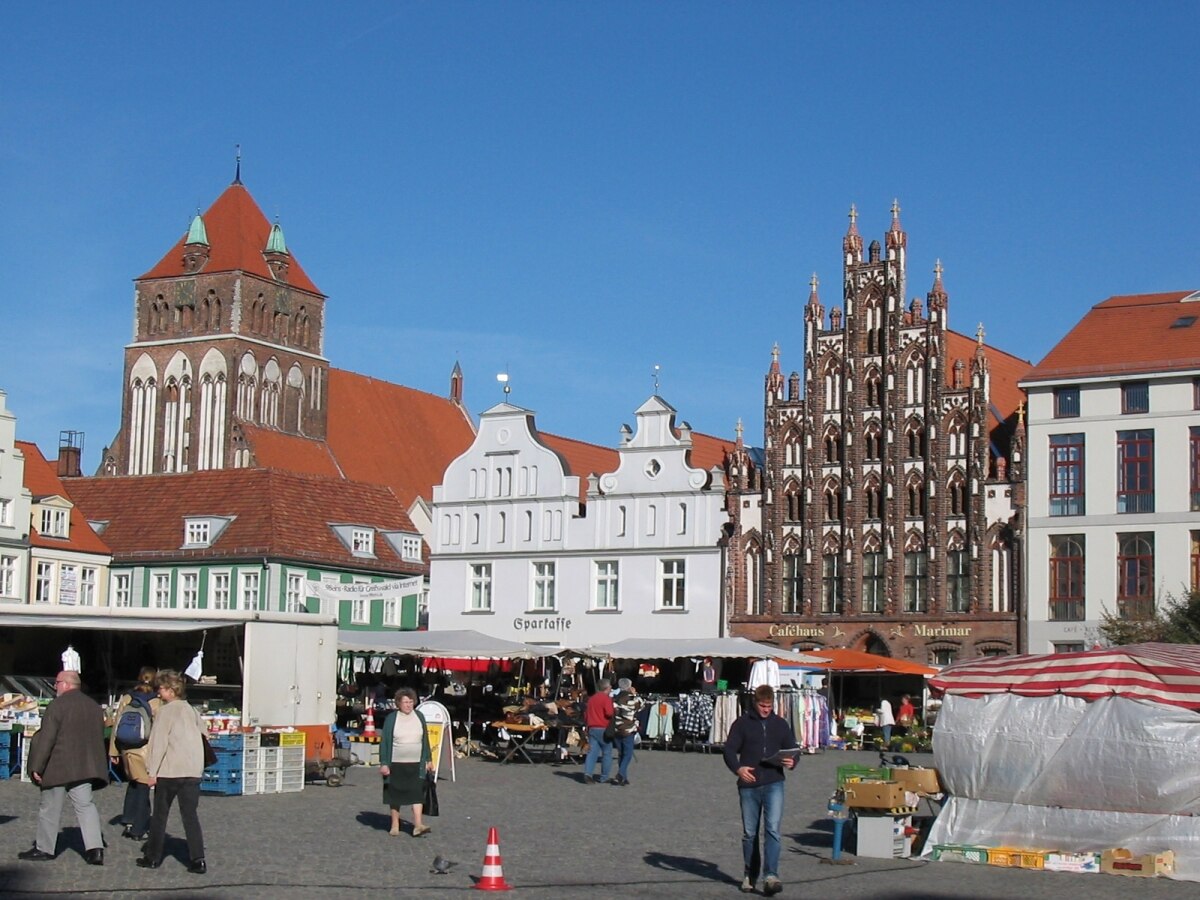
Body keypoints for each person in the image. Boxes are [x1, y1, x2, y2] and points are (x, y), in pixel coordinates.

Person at [19, 670, 108, 865]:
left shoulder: (57, 705)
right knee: (86, 806)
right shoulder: (93, 706)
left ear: (66, 684)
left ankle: (44, 848)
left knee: (50, 808)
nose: (55, 686)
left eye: (57, 682)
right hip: (85, 766)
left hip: (59, 765)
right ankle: (95, 849)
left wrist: (37, 766)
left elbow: (47, 738)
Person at [723, 685, 797, 896]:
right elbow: (729, 750)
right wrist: (738, 768)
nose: (766, 710)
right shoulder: (742, 723)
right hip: (749, 784)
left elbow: (792, 748)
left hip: (774, 782)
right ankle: (750, 873)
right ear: (755, 703)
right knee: (750, 833)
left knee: (773, 829)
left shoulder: (780, 724)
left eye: (769, 706)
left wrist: (792, 761)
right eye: (763, 706)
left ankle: (771, 875)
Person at [137, 669, 208, 874]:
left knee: (160, 815)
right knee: (190, 816)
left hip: (170, 771)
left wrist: (151, 771)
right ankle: (198, 859)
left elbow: (158, 743)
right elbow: (205, 735)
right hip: (192, 771)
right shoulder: (191, 710)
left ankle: (153, 857)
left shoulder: (166, 711)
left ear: (170, 690)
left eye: (161, 688)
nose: (158, 692)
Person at [108, 666, 161, 842]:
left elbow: (116, 726)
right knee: (143, 789)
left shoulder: (127, 698)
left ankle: (128, 820)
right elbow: (159, 731)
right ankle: (139, 828)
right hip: (145, 750)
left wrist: (113, 751)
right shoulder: (156, 702)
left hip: (127, 749)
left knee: (132, 784)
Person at [379, 687, 433, 836]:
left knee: (417, 793)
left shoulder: (419, 716)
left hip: (416, 763)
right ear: (398, 703)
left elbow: (425, 739)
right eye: (405, 702)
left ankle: (418, 825)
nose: (409, 705)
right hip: (396, 763)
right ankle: (395, 824)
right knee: (395, 795)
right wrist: (384, 763)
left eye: (411, 702)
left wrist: (428, 759)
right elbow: (385, 742)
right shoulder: (391, 718)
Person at [609, 678, 645, 786]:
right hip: (628, 729)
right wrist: (635, 694)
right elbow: (641, 706)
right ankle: (620, 774)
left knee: (621, 753)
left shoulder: (614, 698)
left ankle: (623, 777)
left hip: (616, 728)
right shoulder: (632, 699)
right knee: (628, 754)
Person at [582, 678, 614, 785]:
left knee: (592, 752)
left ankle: (588, 774)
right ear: (607, 687)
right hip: (603, 727)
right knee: (607, 752)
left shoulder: (591, 699)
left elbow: (586, 715)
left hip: (592, 727)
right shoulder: (606, 698)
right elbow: (609, 713)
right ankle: (604, 777)